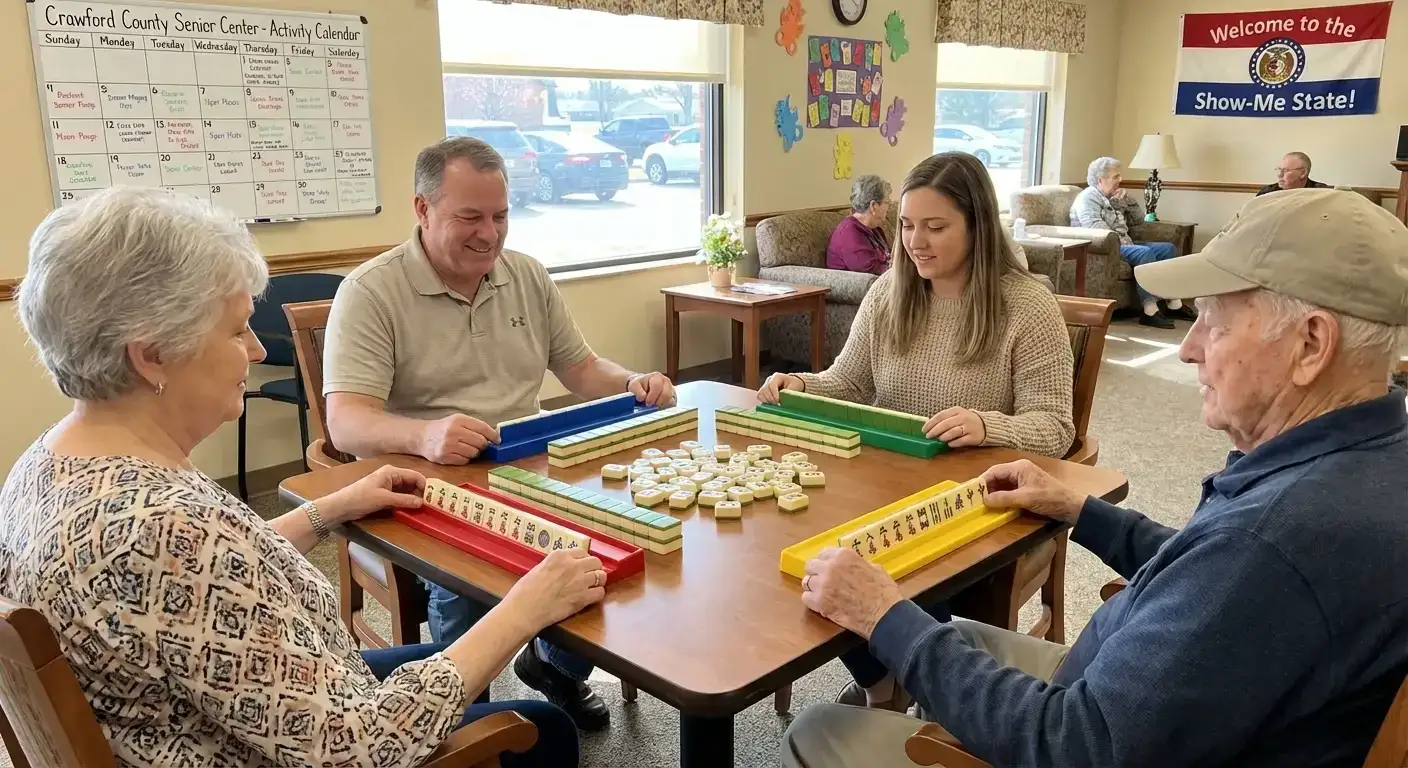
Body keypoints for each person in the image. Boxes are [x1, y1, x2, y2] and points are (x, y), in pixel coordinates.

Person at [781, 189, 1408, 768]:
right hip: (1131, 684)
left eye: (1214, 322)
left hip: (1083, 721)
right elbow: (1205, 569)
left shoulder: (1272, 542)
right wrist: (1081, 509)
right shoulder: (1362, 460)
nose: (1188, 348)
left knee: (820, 728)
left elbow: (1075, 744)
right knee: (956, 633)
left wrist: (884, 615)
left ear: (1311, 345)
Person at [0, 187, 603, 767]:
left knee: (444, 657)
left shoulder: (50, 461)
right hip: (285, 741)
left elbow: (198, 594)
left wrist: (326, 511)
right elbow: (359, 749)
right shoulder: (164, 530)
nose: (257, 351)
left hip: (229, 710)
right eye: (236, 329)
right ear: (152, 354)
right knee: (541, 728)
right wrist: (523, 610)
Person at [322, 136, 674, 732]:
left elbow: (581, 368)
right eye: (470, 218)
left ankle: (554, 668)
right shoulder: (371, 290)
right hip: (431, 486)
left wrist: (632, 381)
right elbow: (346, 422)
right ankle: (464, 716)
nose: (490, 234)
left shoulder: (527, 274)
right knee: (464, 586)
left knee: (614, 547)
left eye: (501, 216)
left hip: (531, 468)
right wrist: (424, 435)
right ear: (423, 209)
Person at [759, 151, 1075, 711]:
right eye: (906, 225)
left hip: (975, 508)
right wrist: (801, 384)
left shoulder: (1028, 306)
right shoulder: (889, 290)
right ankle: (884, 679)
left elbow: (1055, 427)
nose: (915, 242)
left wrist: (987, 424)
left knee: (878, 565)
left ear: (978, 226)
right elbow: (849, 381)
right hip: (884, 486)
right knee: (802, 543)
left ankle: (896, 676)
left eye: (935, 227)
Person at [1071, 157, 1190, 328]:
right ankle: (1149, 310)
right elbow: (1095, 228)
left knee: (1168, 249)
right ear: (1100, 179)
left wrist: (1129, 201)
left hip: (1125, 243)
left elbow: (1139, 221)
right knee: (1144, 253)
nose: (1120, 180)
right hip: (1104, 248)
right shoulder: (1088, 198)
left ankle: (1173, 304)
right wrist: (1118, 216)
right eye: (1115, 176)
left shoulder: (1113, 196)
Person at [828, 174, 893, 274]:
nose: (889, 207)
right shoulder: (849, 232)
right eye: (887, 202)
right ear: (873, 206)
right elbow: (872, 271)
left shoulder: (875, 229)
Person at [1257, 151, 1330, 196]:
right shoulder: (1267, 193)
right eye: (1279, 169)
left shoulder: (1321, 192)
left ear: (1303, 173)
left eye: (1286, 170)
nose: (1280, 175)